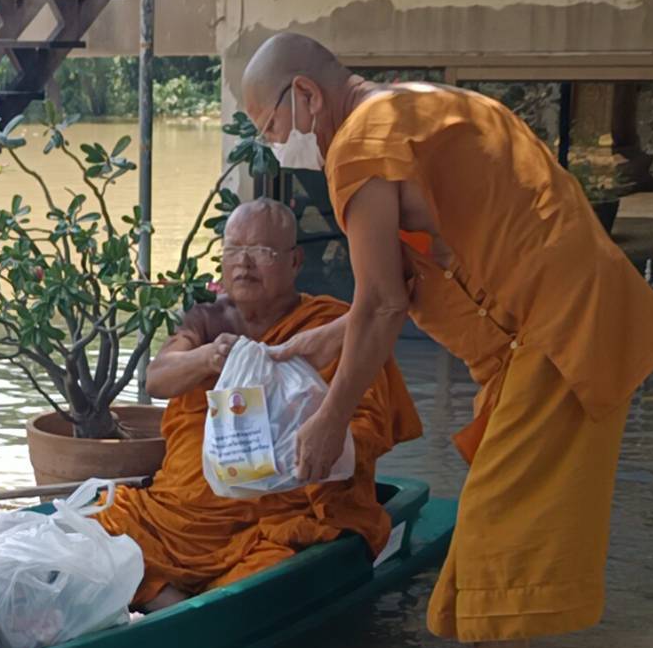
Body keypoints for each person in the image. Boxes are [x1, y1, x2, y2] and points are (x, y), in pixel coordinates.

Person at [240, 33, 653, 648]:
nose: (280, 145)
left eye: (274, 126)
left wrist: (331, 416)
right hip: (561, 322)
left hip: (553, 331)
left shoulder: (360, 143)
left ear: (306, 94)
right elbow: (405, 284)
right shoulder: (428, 106)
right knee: (509, 540)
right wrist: (319, 340)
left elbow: (384, 303)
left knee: (486, 551)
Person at [96, 198, 423, 612]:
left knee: (284, 554)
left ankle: (176, 604)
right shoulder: (208, 320)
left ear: (295, 261)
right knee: (98, 530)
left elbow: (366, 425)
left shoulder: (328, 323)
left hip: (277, 514)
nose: (244, 264)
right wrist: (209, 357)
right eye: (233, 250)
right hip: (185, 512)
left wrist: (303, 444)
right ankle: (171, 601)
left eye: (262, 252)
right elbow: (157, 379)